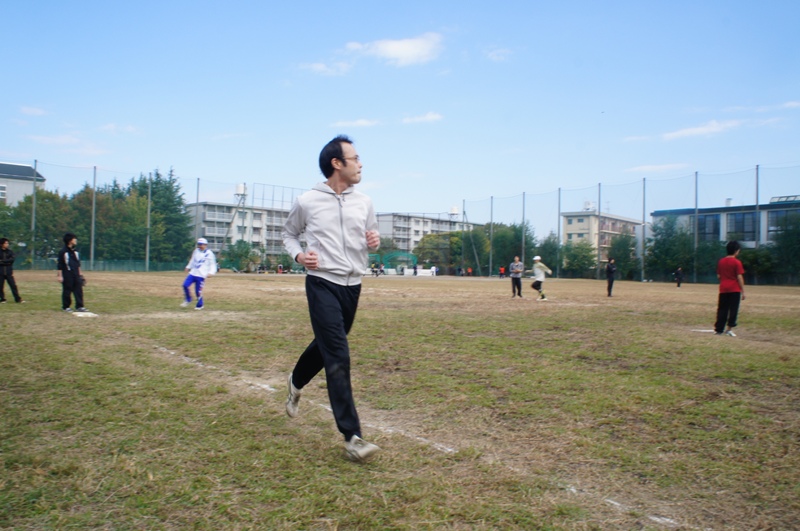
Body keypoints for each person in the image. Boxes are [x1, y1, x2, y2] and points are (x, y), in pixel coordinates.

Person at [282, 135, 381, 462]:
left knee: (327, 346)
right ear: (337, 163)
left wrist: (374, 240)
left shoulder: (364, 202)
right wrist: (299, 256)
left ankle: (296, 381)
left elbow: (371, 237)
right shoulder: (308, 201)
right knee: (338, 353)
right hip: (322, 282)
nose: (360, 163)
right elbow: (288, 234)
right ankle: (353, 436)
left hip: (353, 286)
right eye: (355, 158)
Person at [714, 241, 745, 336]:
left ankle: (719, 329)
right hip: (734, 289)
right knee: (733, 310)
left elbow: (719, 276)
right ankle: (729, 329)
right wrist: (743, 291)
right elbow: (739, 277)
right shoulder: (737, 262)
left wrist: (724, 281)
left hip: (723, 289)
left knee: (722, 309)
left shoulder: (721, 261)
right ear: (736, 251)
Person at [182, 238, 217, 310]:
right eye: (199, 244)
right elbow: (192, 260)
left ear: (205, 245)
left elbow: (213, 264)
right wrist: (188, 267)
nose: (200, 246)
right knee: (185, 285)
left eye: (201, 244)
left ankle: (200, 305)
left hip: (201, 275)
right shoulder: (196, 251)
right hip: (193, 273)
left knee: (198, 291)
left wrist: (211, 272)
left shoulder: (209, 253)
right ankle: (188, 299)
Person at [57, 233, 88, 312]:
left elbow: (78, 264)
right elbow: (60, 265)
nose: (75, 240)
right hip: (67, 273)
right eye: (74, 239)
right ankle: (66, 307)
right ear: (70, 240)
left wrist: (80, 275)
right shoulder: (63, 252)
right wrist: (60, 276)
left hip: (76, 273)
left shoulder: (75, 252)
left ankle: (79, 306)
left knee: (78, 290)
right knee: (67, 290)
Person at [0, 238, 24, 303]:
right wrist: (7, 262)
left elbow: (12, 260)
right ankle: (2, 299)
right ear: (1, 244)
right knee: (0, 287)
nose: (7, 244)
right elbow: (8, 261)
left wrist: (2, 261)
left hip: (9, 272)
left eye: (7, 243)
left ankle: (18, 299)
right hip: (1, 273)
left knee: (13, 286)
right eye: (6, 243)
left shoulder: (10, 252)